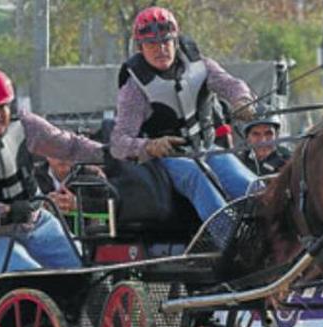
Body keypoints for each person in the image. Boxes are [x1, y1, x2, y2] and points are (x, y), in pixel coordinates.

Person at [110, 6, 258, 248]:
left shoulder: (202, 65)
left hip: (207, 147)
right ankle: (236, 244)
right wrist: (149, 145)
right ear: (140, 47)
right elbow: (118, 142)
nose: (161, 49)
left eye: (166, 41)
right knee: (194, 176)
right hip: (167, 160)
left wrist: (242, 100)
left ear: (176, 40)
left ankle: (276, 233)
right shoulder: (134, 89)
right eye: (152, 44)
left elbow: (231, 85)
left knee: (247, 183)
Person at [0, 68, 105, 274]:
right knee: (29, 276)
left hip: (34, 222)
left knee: (82, 267)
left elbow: (68, 145)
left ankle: (83, 303)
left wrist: (108, 154)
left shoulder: (25, 124)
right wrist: (4, 213)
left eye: (2, 107)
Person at [238, 111, 291, 176]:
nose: (263, 140)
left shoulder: (288, 160)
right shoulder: (238, 162)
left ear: (276, 136)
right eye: (256, 134)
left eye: (268, 133)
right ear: (247, 138)